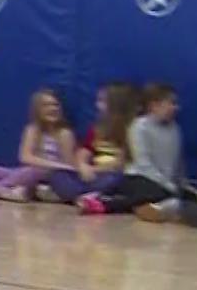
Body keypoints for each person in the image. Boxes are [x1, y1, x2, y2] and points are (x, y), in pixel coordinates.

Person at [78, 83, 186, 220]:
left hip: (162, 183)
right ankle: (103, 202)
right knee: (154, 192)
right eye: (171, 103)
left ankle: (151, 208)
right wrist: (167, 185)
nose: (175, 108)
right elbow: (143, 164)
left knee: (178, 196)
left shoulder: (175, 129)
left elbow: (177, 161)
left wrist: (180, 184)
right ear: (155, 105)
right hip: (141, 178)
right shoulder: (139, 126)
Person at [0, 89, 73, 201]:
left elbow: (67, 165)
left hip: (44, 177)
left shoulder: (64, 133)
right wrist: (46, 164)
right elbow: (25, 157)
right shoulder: (32, 129)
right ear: (38, 110)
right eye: (46, 105)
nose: (52, 108)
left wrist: (51, 166)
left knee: (33, 171)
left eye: (55, 105)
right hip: (23, 173)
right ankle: (5, 192)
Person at [45, 82, 136, 203]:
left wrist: (94, 169)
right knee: (58, 175)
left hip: (109, 173)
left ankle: (85, 196)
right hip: (91, 175)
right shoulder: (98, 128)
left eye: (102, 101)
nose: (97, 105)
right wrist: (83, 166)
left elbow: (120, 163)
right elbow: (84, 152)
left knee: (117, 179)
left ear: (116, 104)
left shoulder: (130, 129)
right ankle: (86, 196)